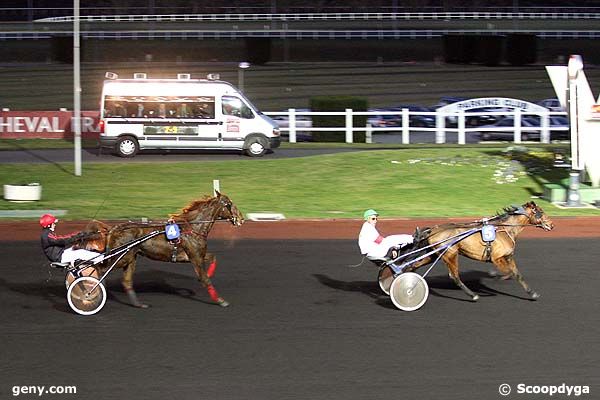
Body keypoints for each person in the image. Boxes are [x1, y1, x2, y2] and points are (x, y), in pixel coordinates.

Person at [40, 214, 104, 266]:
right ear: (49, 225)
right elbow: (62, 240)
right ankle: (101, 258)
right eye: (53, 223)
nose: (54, 225)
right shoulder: (47, 235)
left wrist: (81, 235)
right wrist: (78, 236)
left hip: (60, 253)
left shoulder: (47, 233)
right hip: (59, 257)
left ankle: (97, 257)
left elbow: (63, 240)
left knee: (77, 247)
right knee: (80, 252)